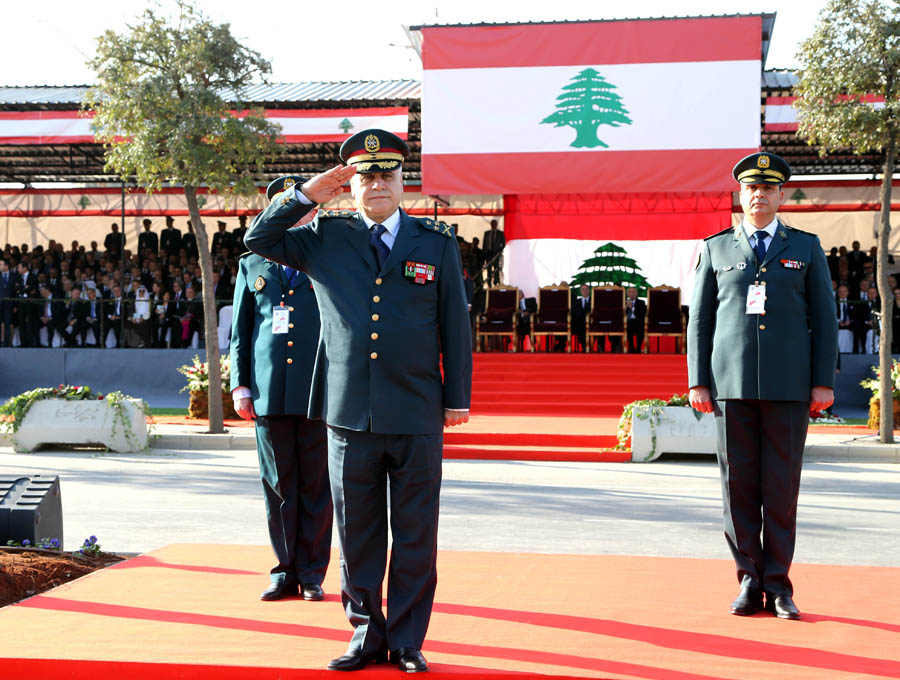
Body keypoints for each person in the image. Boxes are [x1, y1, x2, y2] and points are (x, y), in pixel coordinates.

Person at [244, 128, 472, 673]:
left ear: (403, 182)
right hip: (348, 414)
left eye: (386, 174)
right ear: (351, 187)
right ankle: (366, 634)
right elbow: (258, 240)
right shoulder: (325, 237)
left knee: (415, 533)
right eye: (364, 176)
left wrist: (457, 397)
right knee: (358, 534)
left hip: (416, 411)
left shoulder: (435, 243)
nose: (376, 185)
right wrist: (307, 192)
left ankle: (408, 640)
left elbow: (454, 326)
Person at [688, 152, 837, 621]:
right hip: (730, 385)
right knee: (738, 488)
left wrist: (822, 382)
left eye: (768, 189)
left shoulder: (807, 247)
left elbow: (825, 319)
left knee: (781, 487)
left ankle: (779, 585)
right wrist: (698, 380)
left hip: (790, 387)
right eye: (752, 188)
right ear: (741, 194)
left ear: (780, 195)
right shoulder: (716, 247)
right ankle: (749, 580)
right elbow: (700, 320)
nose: (759, 195)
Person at [230, 209, 333, 603]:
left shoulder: (324, 254)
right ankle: (283, 570)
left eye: (301, 212)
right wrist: (240, 385)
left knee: (315, 486)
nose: (293, 220)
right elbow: (242, 330)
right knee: (278, 487)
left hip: (316, 389)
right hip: (268, 391)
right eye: (284, 212)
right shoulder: (251, 262)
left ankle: (311, 573)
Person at [482, 219, 505, 286]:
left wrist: (499, 251)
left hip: (496, 254)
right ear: (491, 224)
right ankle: (489, 282)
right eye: (492, 224)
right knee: (489, 268)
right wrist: (484, 253)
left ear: (496, 225)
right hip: (488, 253)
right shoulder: (487, 233)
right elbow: (484, 244)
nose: (493, 225)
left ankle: (496, 282)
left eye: (494, 224)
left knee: (496, 268)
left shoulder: (500, 233)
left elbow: (503, 244)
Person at [626, 287, 647, 353]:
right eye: (630, 292)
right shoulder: (625, 302)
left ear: (637, 293)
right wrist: (627, 308)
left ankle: (638, 347)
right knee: (628, 329)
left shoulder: (641, 302)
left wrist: (632, 308)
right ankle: (631, 347)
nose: (632, 294)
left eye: (634, 292)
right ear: (627, 293)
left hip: (638, 321)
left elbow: (642, 313)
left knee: (641, 328)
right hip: (628, 322)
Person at [571, 284, 591, 351]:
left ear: (589, 290)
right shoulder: (576, 302)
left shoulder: (593, 300)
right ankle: (584, 345)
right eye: (583, 289)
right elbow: (573, 313)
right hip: (579, 324)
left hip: (590, 323)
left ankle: (586, 346)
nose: (584, 291)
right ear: (580, 291)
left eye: (586, 289)